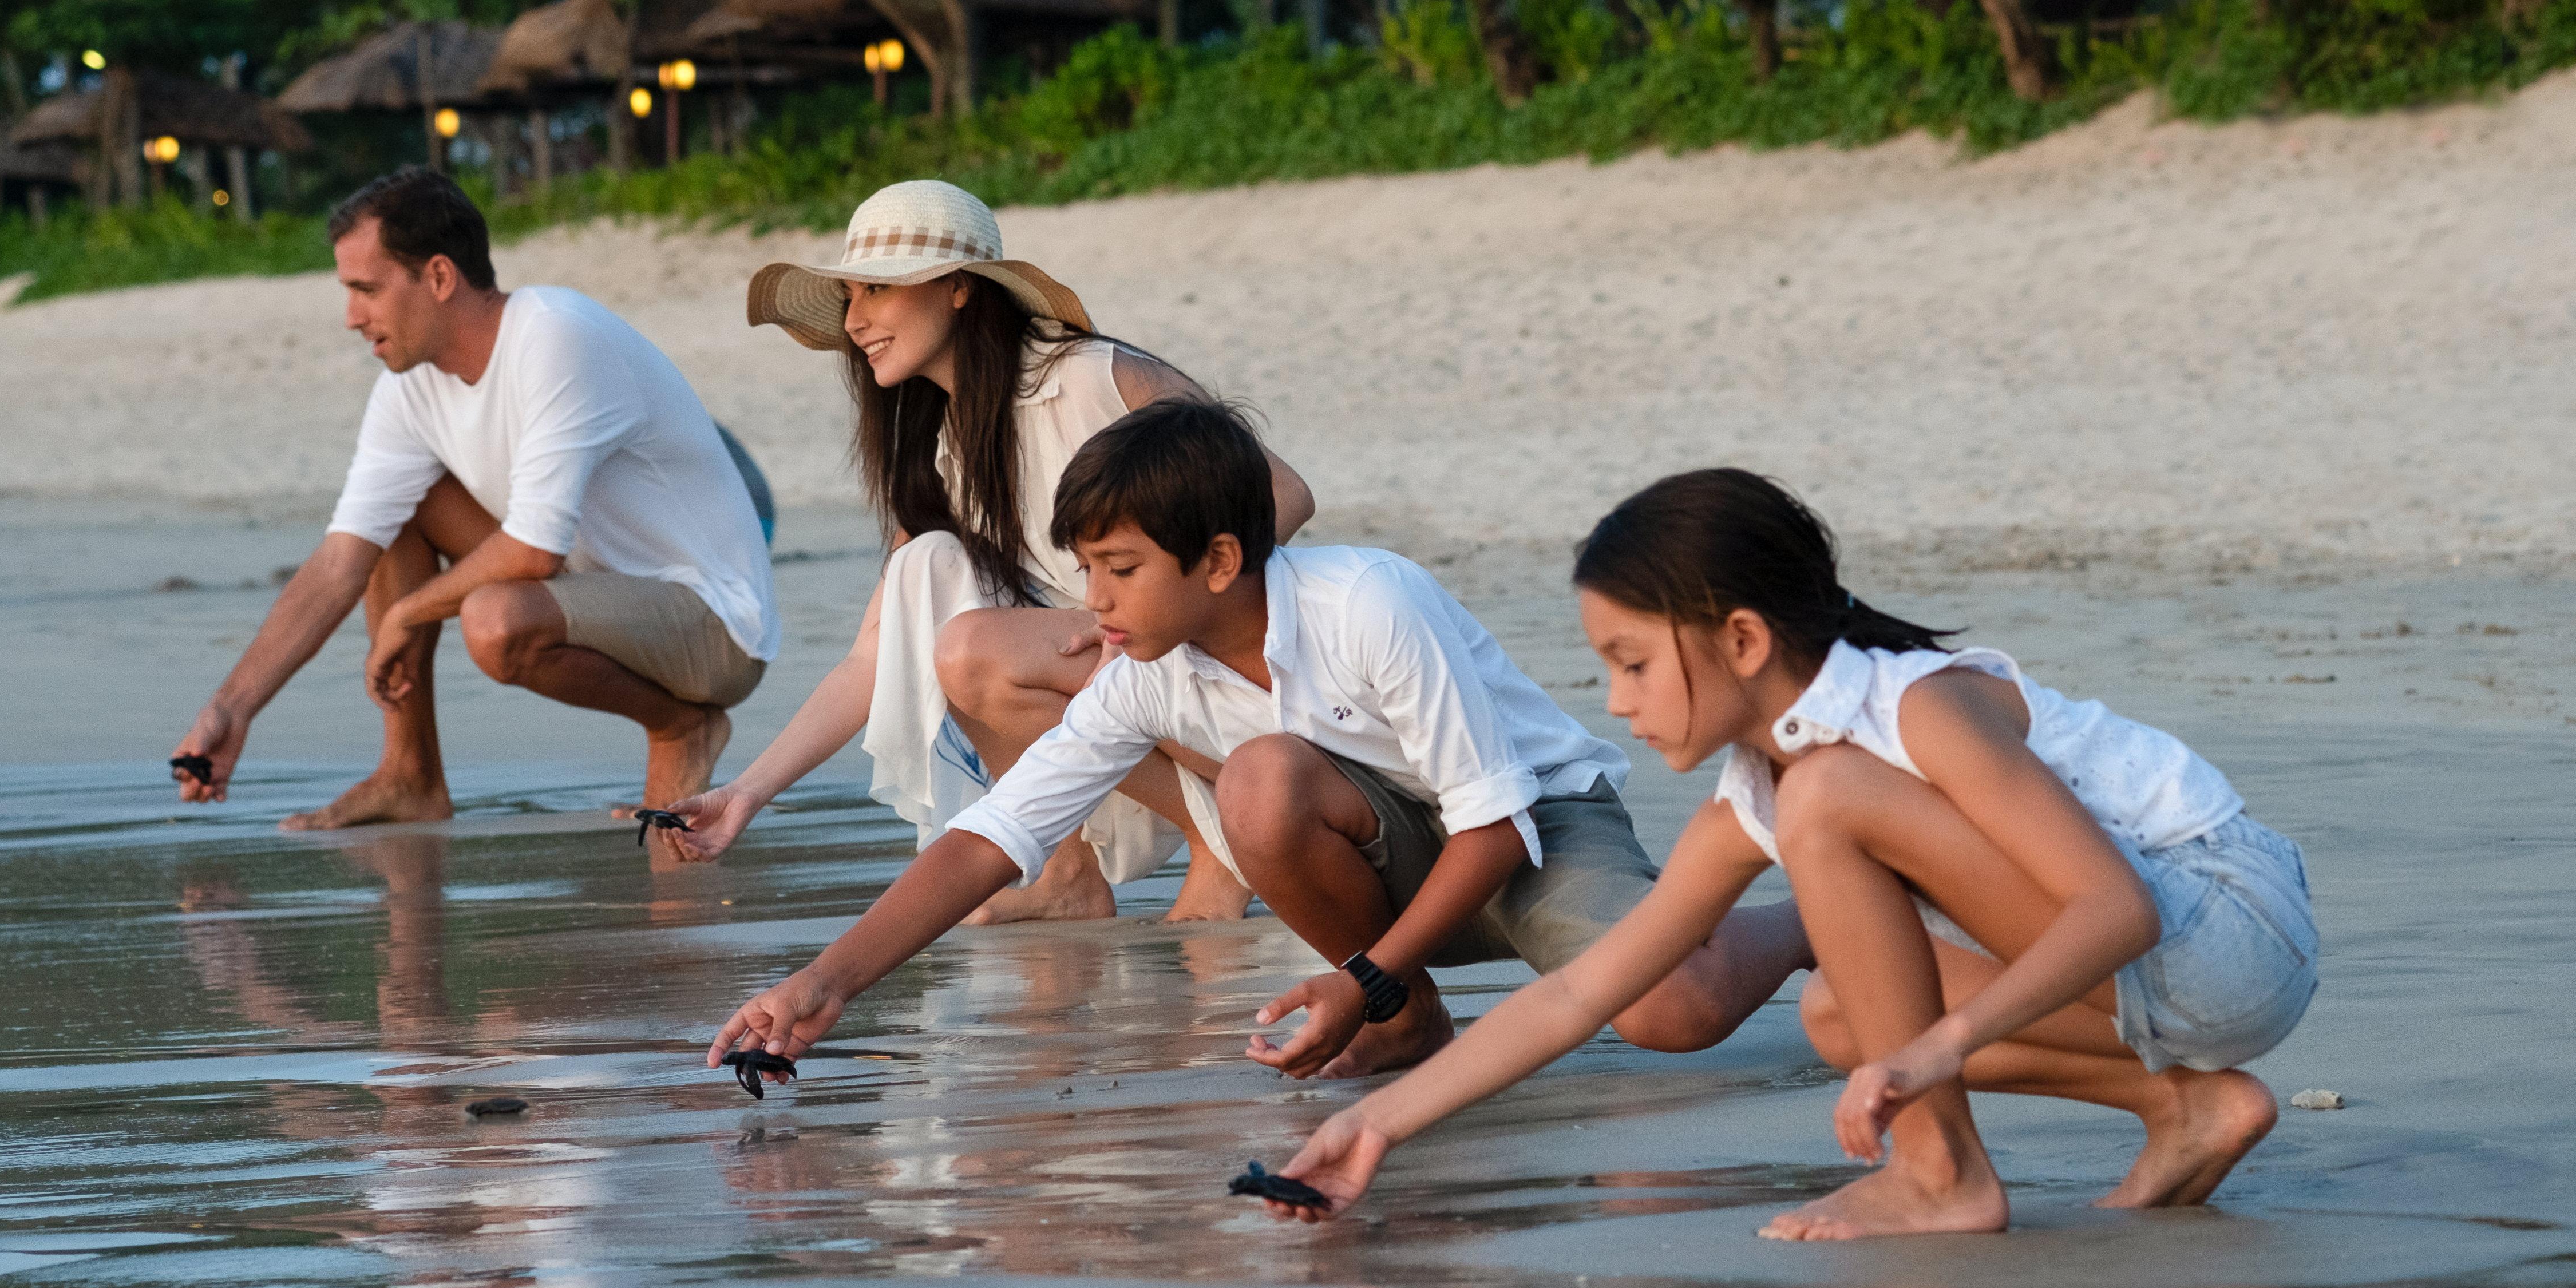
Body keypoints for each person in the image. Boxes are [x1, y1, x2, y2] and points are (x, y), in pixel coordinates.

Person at [1260, 470, 2321, 1240]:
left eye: (1632, 663)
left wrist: (1935, 1050)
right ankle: (2186, 1107)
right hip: (2159, 983)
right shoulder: (1765, 791)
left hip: (2222, 927)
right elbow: (1584, 990)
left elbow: (2114, 910)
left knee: (1840, 845)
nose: (1616, 701)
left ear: (1743, 640)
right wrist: (1376, 1124)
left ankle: (1940, 1174)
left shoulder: (1911, 711)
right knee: (1840, 1011)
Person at [706, 403, 1805, 1083]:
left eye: (1120, 568)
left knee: (1677, 1012)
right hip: (1394, 855)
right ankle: (1408, 1018)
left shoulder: (1368, 600)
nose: (1091, 602)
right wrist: (822, 983)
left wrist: (1360, 971)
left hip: (1531, 823)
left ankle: (1803, 917)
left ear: (1220, 560)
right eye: (1084, 566)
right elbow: (997, 833)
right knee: (1261, 785)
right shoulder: (1139, 669)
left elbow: (1495, 824)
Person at [658, 179, 1315, 924]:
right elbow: (875, 656)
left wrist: (1140, 614)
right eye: (848, 296)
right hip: (1122, 701)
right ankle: (1066, 869)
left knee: (974, 648)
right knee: (927, 575)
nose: (857, 319)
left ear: (960, 289)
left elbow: (1284, 494)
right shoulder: (951, 451)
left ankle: (1217, 844)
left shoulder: (1088, 375)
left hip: (1231, 692)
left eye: (877, 288)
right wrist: (748, 792)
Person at [169, 168, 778, 839]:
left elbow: (534, 549)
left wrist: (407, 613)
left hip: (713, 623)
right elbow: (344, 557)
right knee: (393, 516)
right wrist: (233, 708)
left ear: (437, 277)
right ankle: (410, 776)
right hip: (598, 590)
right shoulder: (409, 388)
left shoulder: (555, 335)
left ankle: (680, 725)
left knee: (493, 620)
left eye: (365, 289)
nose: (350, 317)